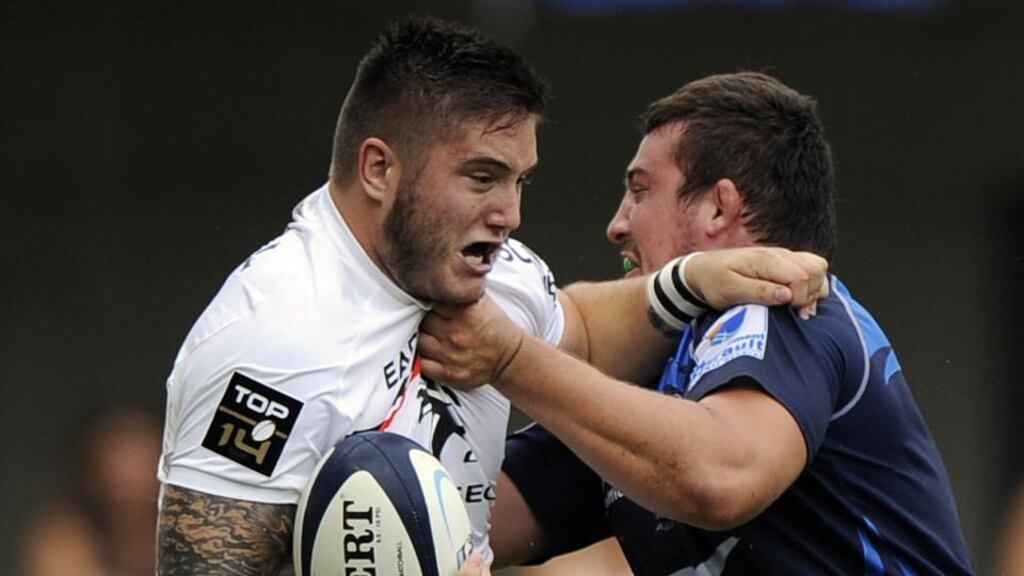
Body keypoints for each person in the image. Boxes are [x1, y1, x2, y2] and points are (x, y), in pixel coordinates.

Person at [156, 18, 824, 575]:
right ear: (379, 168)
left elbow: (582, 334)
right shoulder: (270, 343)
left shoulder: (480, 271)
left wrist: (689, 282)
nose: (509, 214)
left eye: (519, 182)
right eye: (482, 177)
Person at [418, 72, 975, 574]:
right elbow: (466, 515)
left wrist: (511, 359)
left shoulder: (789, 311)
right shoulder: (655, 382)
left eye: (640, 190)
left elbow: (720, 477)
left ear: (718, 208)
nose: (616, 224)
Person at [23, 406, 162, 576]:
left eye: (143, 466)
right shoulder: (64, 532)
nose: (133, 484)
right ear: (93, 472)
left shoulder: (189, 526)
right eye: (120, 469)